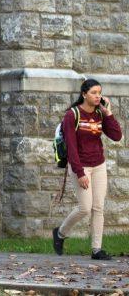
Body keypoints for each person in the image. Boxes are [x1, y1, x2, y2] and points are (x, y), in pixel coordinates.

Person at [52, 79, 122, 260]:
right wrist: (80, 172)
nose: (98, 96)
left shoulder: (100, 113)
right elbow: (71, 146)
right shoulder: (72, 115)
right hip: (80, 165)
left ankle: (97, 250)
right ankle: (60, 233)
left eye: (100, 92)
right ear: (84, 94)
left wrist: (108, 113)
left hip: (98, 164)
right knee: (85, 208)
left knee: (98, 207)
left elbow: (116, 136)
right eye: (93, 92)